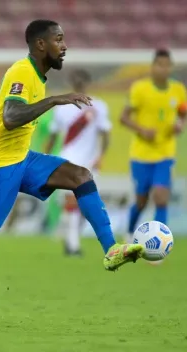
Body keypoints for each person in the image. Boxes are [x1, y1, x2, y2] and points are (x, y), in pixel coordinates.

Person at [0, 19, 144, 331]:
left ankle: (111, 249)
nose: (65, 46)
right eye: (59, 39)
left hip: (22, 159)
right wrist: (55, 100)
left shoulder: (32, 75)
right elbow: (10, 116)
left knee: (80, 176)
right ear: (41, 45)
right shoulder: (23, 71)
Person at [120, 49, 186, 243]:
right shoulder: (140, 89)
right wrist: (141, 130)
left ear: (171, 68)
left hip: (165, 153)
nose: (163, 69)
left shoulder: (178, 90)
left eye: (167, 65)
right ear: (152, 67)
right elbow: (123, 117)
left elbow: (183, 112)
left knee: (161, 197)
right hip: (141, 154)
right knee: (141, 201)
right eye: (159, 65)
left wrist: (179, 125)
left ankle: (159, 242)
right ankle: (130, 231)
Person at [46, 69, 111, 256]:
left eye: (83, 82)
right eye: (77, 81)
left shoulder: (99, 106)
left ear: (88, 83)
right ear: (72, 82)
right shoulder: (62, 108)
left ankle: (70, 236)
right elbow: (52, 136)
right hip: (69, 158)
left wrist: (101, 156)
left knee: (85, 205)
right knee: (72, 201)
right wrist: (46, 158)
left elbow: (106, 134)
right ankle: (73, 246)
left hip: (90, 161)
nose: (80, 85)